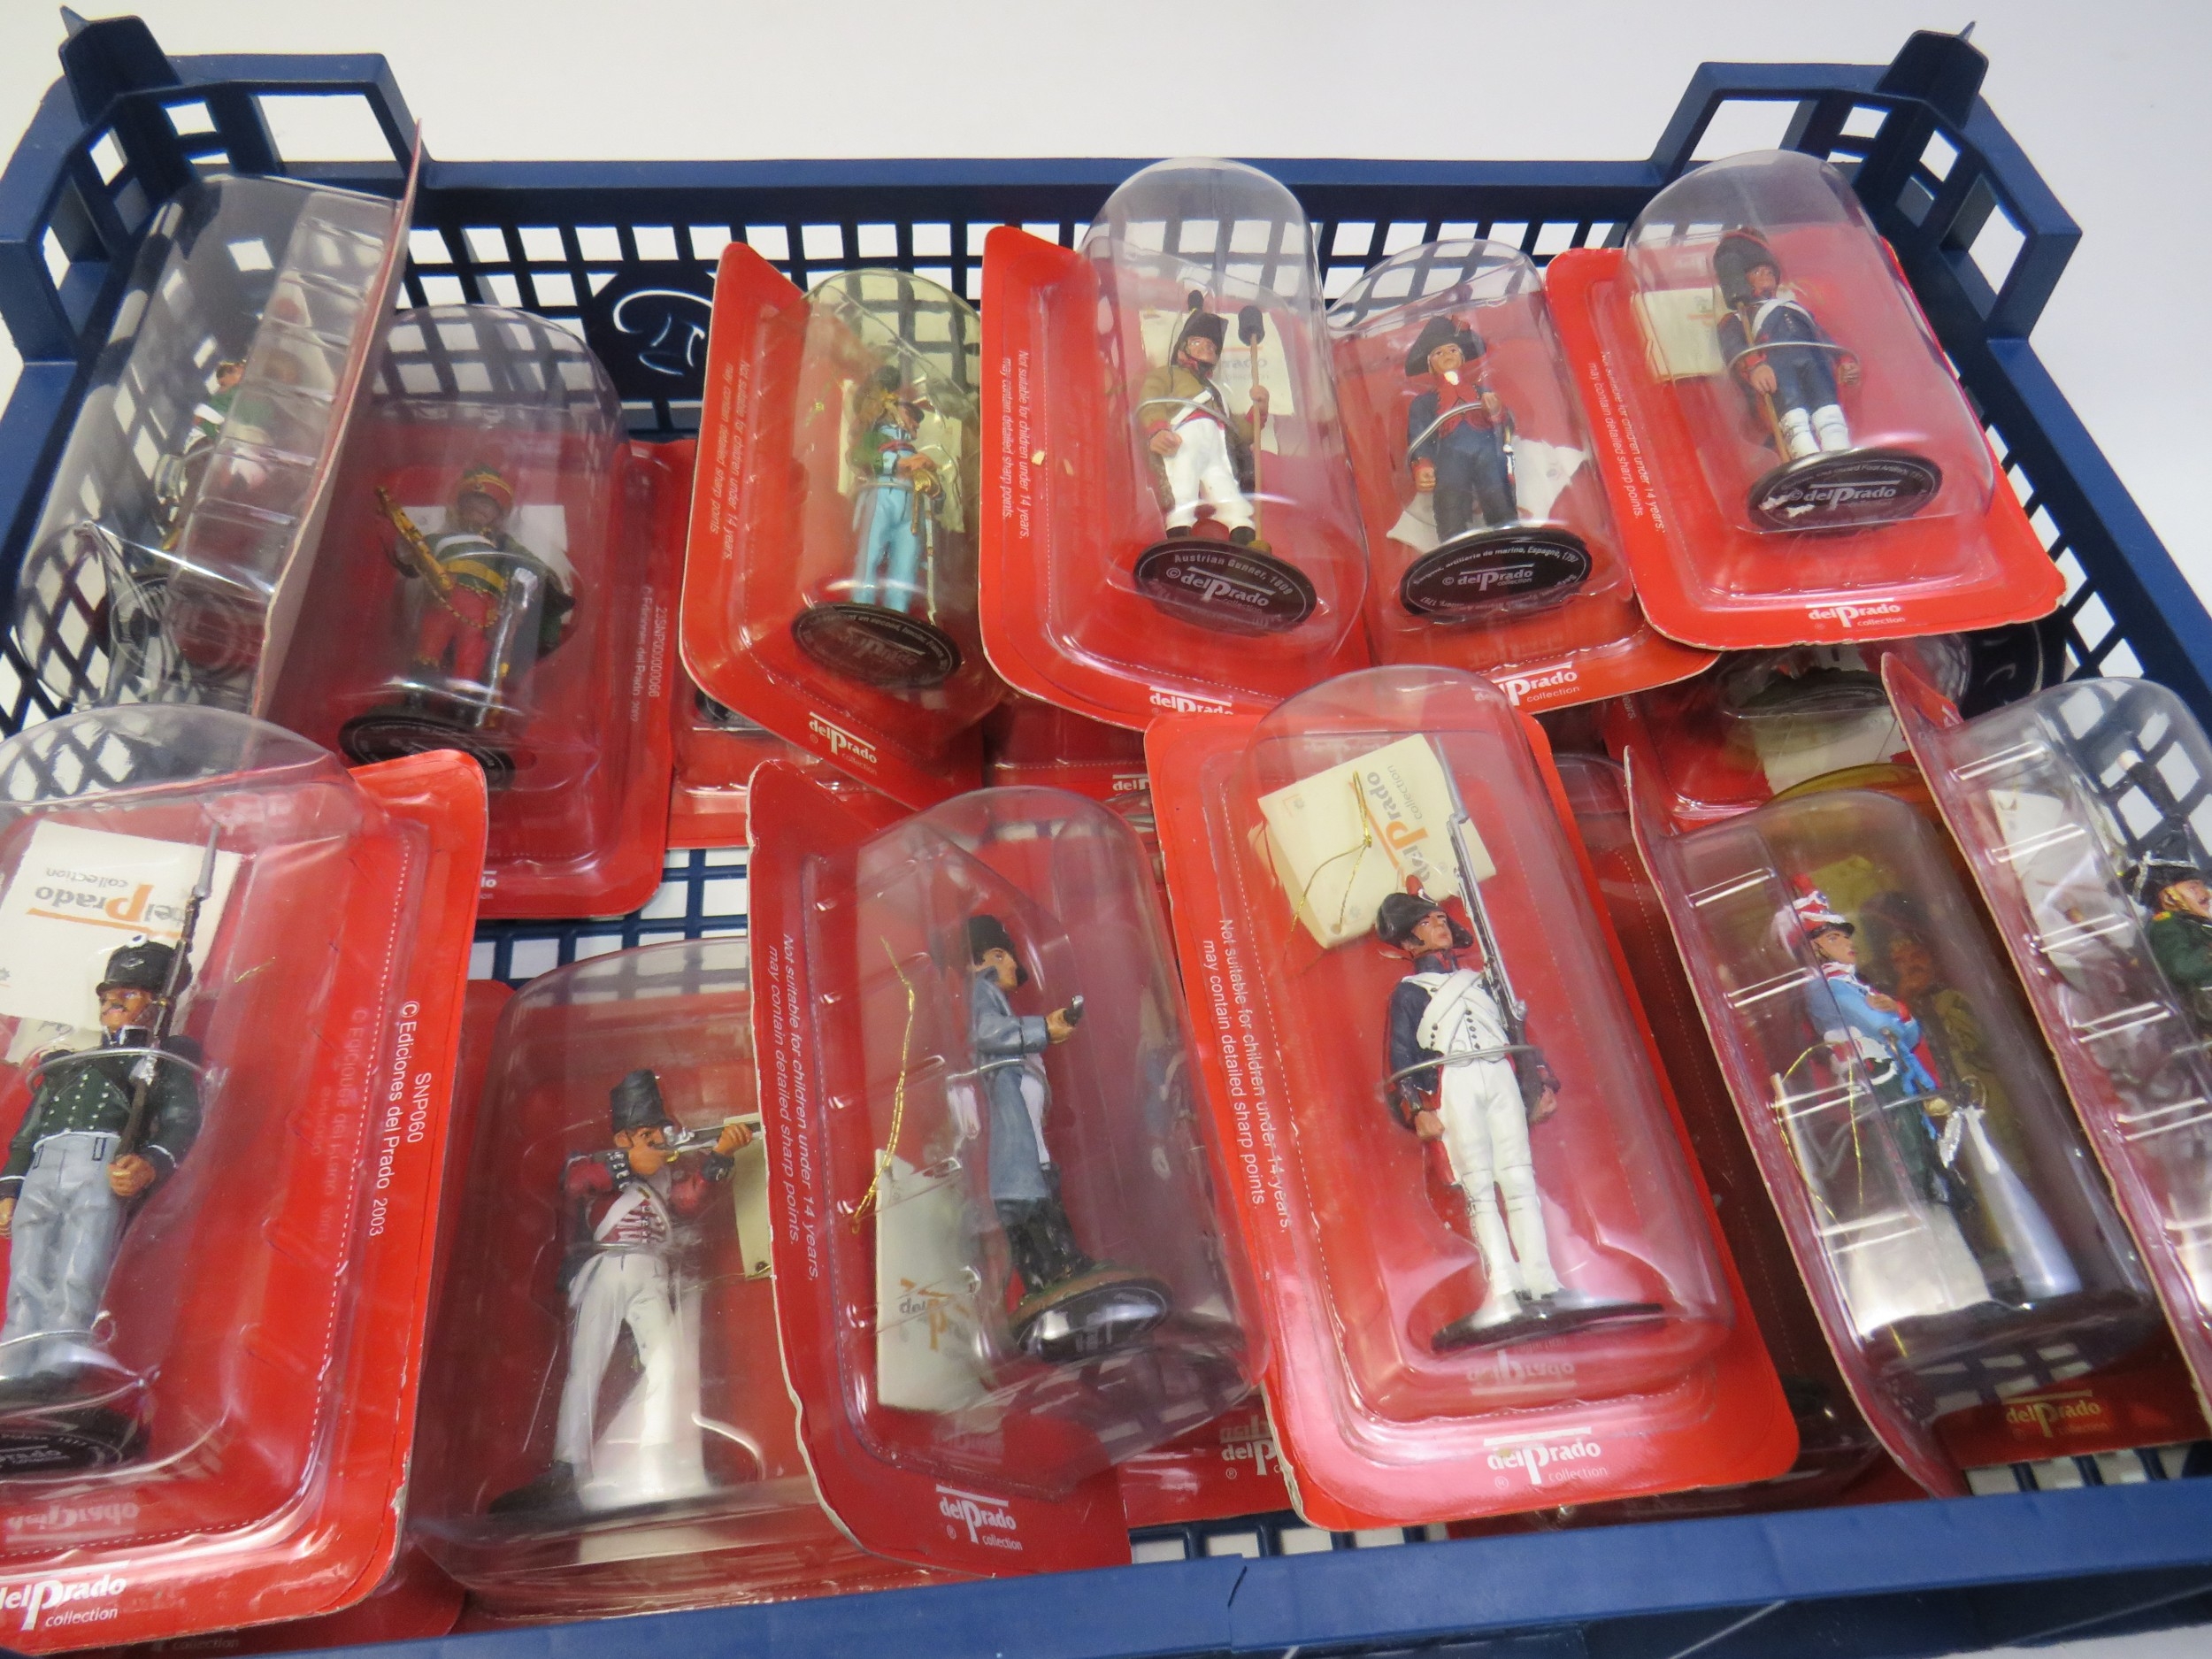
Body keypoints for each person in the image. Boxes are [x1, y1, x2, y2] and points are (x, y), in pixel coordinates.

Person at [491, 1069, 750, 1517]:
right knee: (585, 1367)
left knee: (669, 1364)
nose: (658, 1139)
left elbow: (690, 1200)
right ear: (624, 1137)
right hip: (608, 1268)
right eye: (647, 1134)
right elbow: (577, 1183)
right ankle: (568, 1468)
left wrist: (720, 1154)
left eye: (659, 1132)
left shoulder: (664, 1179)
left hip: (653, 1274)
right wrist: (628, 1163)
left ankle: (661, 1456)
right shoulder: (595, 1165)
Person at [0, 941, 201, 1393]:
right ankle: (14, 1361)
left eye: (128, 995)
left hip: (100, 1164)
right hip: (44, 1166)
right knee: (28, 1266)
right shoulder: (66, 1065)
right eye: (109, 995)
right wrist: (10, 1187)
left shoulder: (162, 1060)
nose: (113, 1003)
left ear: (157, 1004)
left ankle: (59, 1359)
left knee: (80, 1263)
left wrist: (150, 1163)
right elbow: (28, 1133)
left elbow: (180, 1120)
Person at [1379, 890, 1567, 1340]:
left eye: (1441, 919)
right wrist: (1418, 1109)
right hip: (1455, 1083)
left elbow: (1518, 1031)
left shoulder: (1483, 982)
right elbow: (1401, 1058)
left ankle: (1543, 1280)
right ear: (1410, 941)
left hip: (1500, 1076)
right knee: (1479, 1190)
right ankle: (1504, 1286)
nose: (1440, 926)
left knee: (1519, 1180)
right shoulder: (1409, 994)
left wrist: (1541, 1082)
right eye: (1428, 923)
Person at [965, 915, 1090, 1298]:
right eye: (999, 956)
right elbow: (987, 1033)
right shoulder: (982, 992)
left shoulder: (995, 998)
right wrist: (1042, 1030)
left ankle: (1055, 1270)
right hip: (1013, 1121)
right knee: (1027, 1194)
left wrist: (1048, 1030)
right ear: (977, 962)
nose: (1011, 965)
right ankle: (1055, 1270)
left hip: (1024, 1120)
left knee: (1037, 1183)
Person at [394, 465, 573, 709]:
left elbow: (535, 568)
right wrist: (402, 547)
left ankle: (463, 709)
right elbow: (411, 562)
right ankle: (416, 700)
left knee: (471, 659)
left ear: (498, 513)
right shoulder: (440, 539)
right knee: (428, 648)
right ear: (460, 505)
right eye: (473, 501)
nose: (479, 507)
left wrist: (540, 582)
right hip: (442, 601)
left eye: (487, 504)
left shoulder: (504, 547)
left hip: (483, 611)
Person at [1714, 230, 1862, 464]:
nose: (1766, 276)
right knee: (1794, 416)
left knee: (1828, 410)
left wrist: (1843, 360)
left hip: (1815, 360)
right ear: (1744, 280)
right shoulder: (1738, 319)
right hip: (1777, 367)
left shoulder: (1794, 307)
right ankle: (1807, 458)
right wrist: (1754, 366)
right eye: (1758, 272)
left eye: (1769, 272)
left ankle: (1840, 454)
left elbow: (1821, 336)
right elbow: (1734, 348)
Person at [1138, 294, 1268, 544]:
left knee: (1227, 491)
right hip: (1185, 436)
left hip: (1217, 443)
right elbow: (1151, 399)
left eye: (1211, 347)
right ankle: (1178, 536)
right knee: (1182, 486)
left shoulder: (1216, 391)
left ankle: (1242, 536)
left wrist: (1258, 411)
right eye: (1197, 342)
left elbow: (1238, 431)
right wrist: (1158, 429)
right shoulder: (1169, 375)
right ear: (1183, 348)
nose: (1204, 349)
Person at [1402, 317, 1513, 542]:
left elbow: (1507, 425)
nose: (1447, 355)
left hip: (1486, 448)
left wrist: (1495, 412)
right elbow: (1419, 435)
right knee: (1450, 497)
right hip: (1449, 455)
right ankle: (1454, 539)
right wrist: (1422, 464)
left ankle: (1508, 531)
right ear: (1430, 364)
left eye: (1453, 350)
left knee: (1496, 487)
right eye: (1439, 353)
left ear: (1462, 357)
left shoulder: (1482, 392)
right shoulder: (1423, 403)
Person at [849, 367, 941, 613]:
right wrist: (898, 464)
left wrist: (930, 476)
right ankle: (861, 604)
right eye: (911, 414)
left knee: (906, 562)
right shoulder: (874, 436)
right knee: (869, 554)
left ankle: (897, 611)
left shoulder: (913, 450)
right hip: (882, 494)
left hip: (912, 505)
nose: (915, 423)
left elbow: (935, 492)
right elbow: (858, 456)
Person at [2131, 840, 2212, 1034]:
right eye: (2193, 888)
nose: (2206, 894)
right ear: (2169, 897)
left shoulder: (2194, 925)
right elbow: (2182, 967)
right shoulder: (2165, 925)